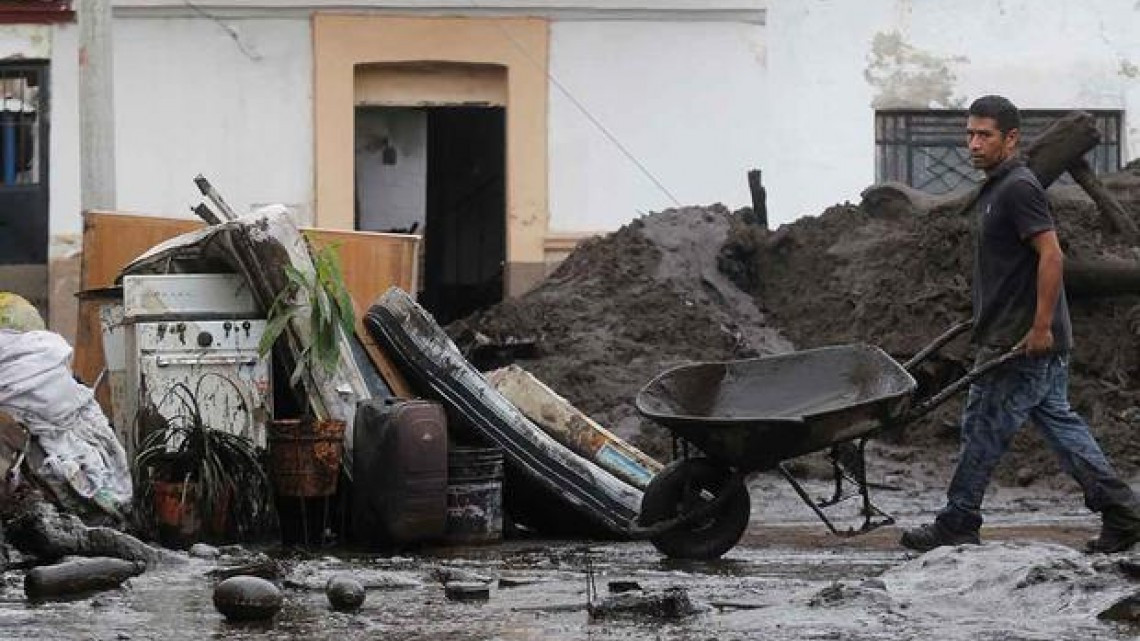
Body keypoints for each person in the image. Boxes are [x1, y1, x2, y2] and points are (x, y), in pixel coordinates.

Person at [899, 95, 1140, 554]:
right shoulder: (997, 186)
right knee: (1060, 427)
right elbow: (1010, 265)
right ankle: (1123, 513)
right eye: (969, 134)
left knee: (983, 426)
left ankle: (958, 519)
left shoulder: (1019, 188)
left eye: (984, 135)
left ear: (1011, 138)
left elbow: (1051, 256)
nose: (973, 144)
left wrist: (1041, 327)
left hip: (1021, 342)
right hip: (1008, 331)